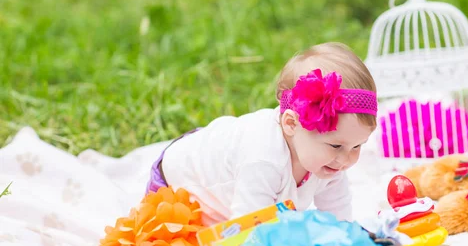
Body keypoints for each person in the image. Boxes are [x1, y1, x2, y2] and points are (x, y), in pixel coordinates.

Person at [146, 42, 378, 225]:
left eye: (358, 146)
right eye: (337, 146)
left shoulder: (330, 157)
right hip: (178, 181)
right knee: (202, 241)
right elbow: (248, 228)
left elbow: (340, 214)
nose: (348, 159)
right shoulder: (264, 159)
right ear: (291, 124)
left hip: (225, 157)